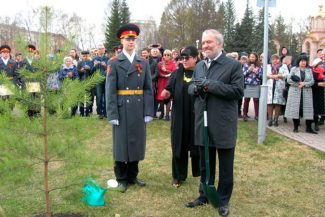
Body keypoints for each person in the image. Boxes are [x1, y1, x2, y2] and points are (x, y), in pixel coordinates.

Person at [186, 29, 244, 217]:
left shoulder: (232, 65)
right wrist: (195, 88)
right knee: (205, 162)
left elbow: (237, 91)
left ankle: (222, 200)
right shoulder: (200, 65)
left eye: (209, 42)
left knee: (226, 164)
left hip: (223, 123)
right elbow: (193, 86)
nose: (205, 46)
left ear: (219, 44)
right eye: (203, 43)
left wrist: (210, 85)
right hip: (203, 121)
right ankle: (204, 195)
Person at [106, 23, 154, 193]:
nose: (131, 41)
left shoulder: (143, 62)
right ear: (122, 40)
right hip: (121, 107)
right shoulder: (115, 62)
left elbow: (149, 88)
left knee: (136, 142)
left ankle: (133, 175)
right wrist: (112, 112)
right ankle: (121, 178)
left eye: (133, 39)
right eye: (128, 39)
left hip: (138, 107)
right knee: (121, 144)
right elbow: (110, 89)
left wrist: (149, 111)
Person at [161, 45, 200, 188]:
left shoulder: (202, 73)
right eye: (181, 58)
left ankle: (200, 173)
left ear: (195, 58)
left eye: (187, 58)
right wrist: (166, 93)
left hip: (197, 117)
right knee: (179, 145)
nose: (183, 60)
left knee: (198, 145)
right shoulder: (176, 74)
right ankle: (178, 176)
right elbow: (169, 89)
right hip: (179, 116)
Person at [285, 54, 316, 133]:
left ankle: (308, 128)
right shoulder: (294, 69)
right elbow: (289, 80)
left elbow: (312, 81)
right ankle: (295, 127)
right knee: (296, 109)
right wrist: (298, 84)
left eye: (305, 61)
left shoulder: (309, 70)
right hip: (295, 92)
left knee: (308, 110)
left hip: (307, 92)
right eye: (302, 61)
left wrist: (304, 84)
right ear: (299, 61)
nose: (303, 62)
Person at [266, 54, 289, 126]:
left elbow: (287, 75)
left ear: (279, 60)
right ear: (271, 60)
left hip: (279, 86)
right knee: (270, 103)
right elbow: (264, 74)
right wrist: (272, 76)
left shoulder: (284, 66)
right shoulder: (268, 66)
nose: (275, 61)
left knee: (278, 103)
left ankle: (276, 119)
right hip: (270, 86)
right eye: (273, 59)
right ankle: (270, 119)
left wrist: (279, 75)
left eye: (276, 59)